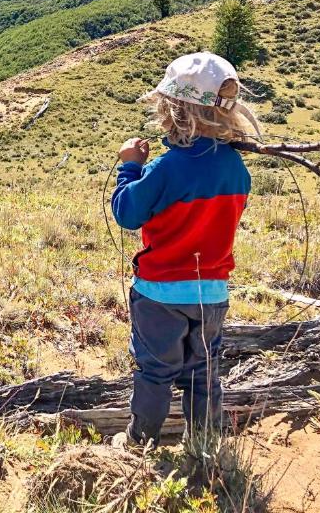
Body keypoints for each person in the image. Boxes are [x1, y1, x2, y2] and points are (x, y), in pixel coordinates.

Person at [110, 52, 258, 447]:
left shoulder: (166, 168)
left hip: (160, 292)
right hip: (212, 293)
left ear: (174, 110)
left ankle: (140, 441)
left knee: (155, 372)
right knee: (203, 373)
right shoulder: (236, 168)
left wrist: (130, 168)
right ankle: (204, 445)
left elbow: (126, 213)